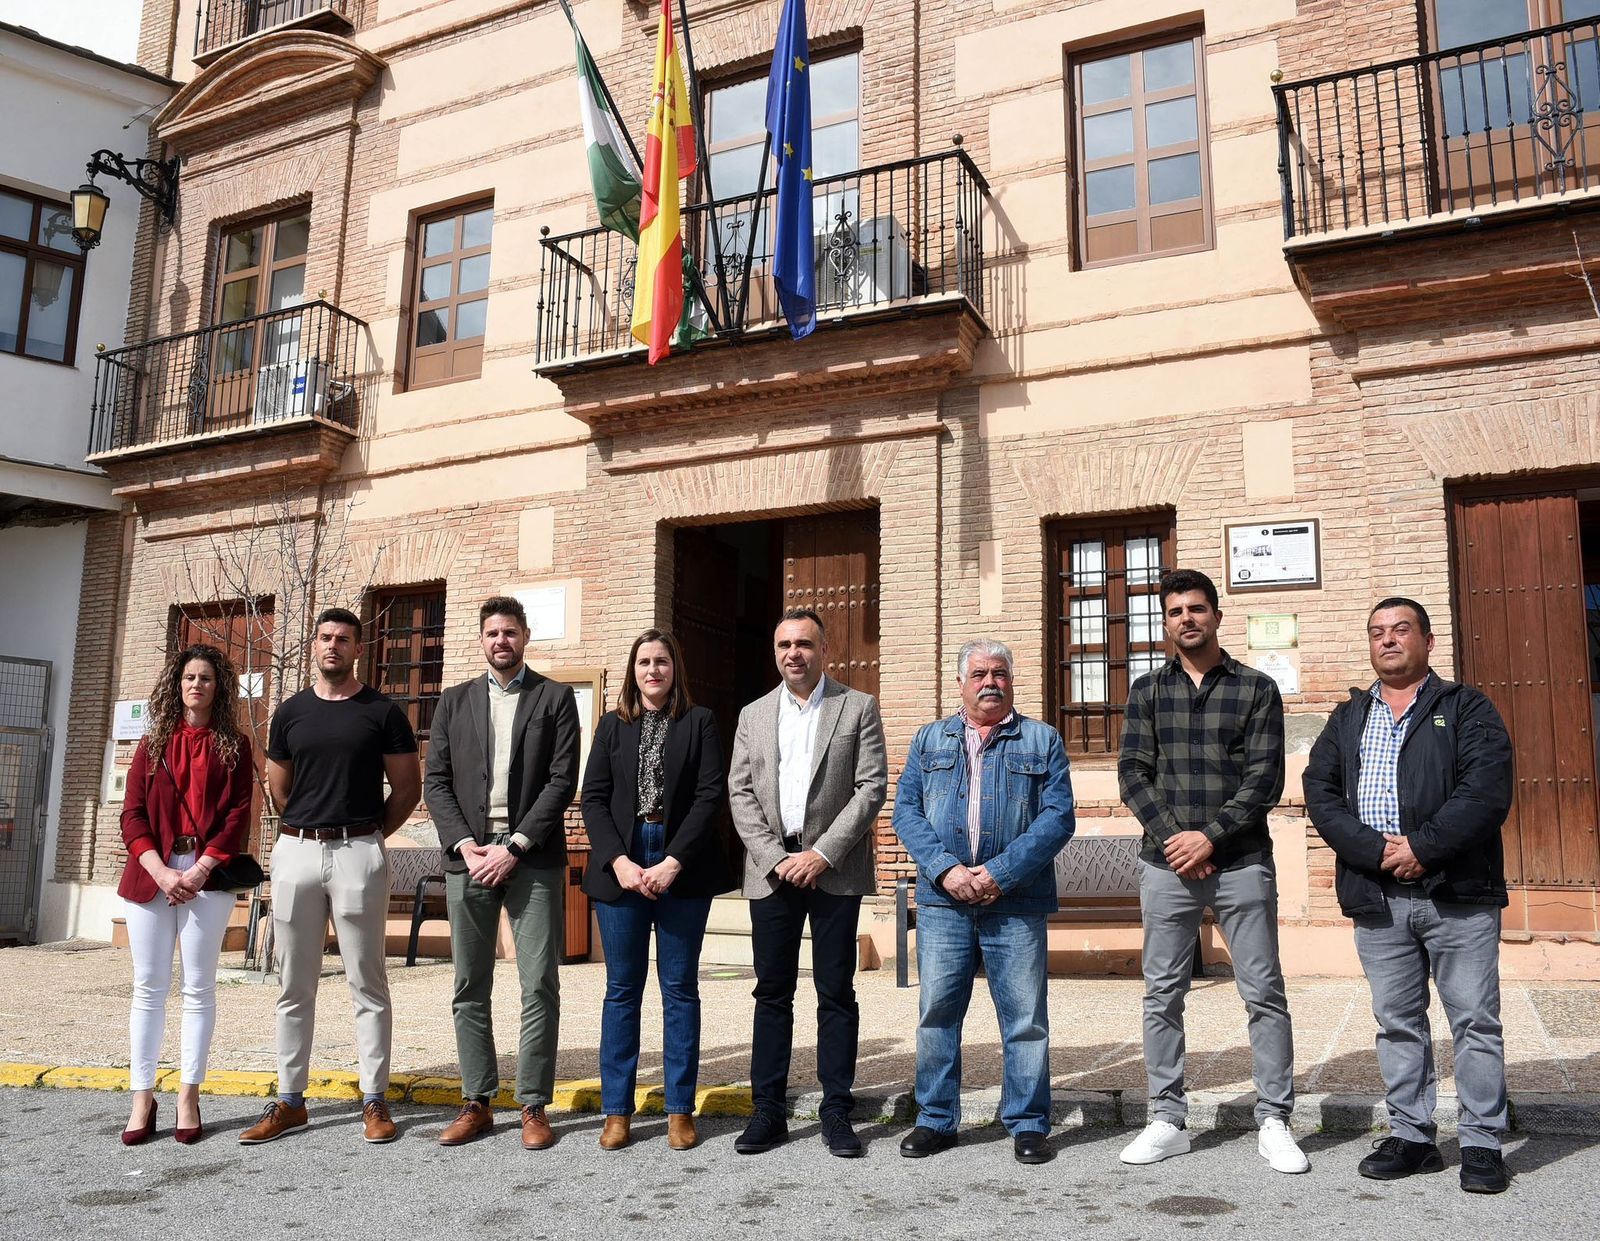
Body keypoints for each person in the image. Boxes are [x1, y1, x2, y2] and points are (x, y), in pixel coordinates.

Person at [1304, 597, 1514, 1194]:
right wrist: (1376, 853)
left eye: (1401, 630)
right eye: (1377, 632)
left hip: (1457, 893)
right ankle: (1414, 1137)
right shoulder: (1348, 717)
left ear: (1427, 640)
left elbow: (1486, 790)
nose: (1388, 640)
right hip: (1378, 896)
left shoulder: (1466, 707)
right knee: (1397, 1022)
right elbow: (1320, 792)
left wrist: (1422, 847)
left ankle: (1479, 1142)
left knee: (1474, 1020)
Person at [1117, 569, 1307, 1174]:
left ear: (1217, 616)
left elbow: (1265, 780)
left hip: (1241, 862)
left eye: (1197, 609)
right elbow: (1132, 774)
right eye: (1175, 612)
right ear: (1166, 622)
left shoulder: (1257, 689)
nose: (1186, 620)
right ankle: (1166, 1119)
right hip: (1166, 865)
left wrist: (1210, 836)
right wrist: (1177, 839)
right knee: (1162, 992)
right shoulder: (1147, 691)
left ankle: (1274, 1119)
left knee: (1263, 992)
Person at [240, 607, 421, 1146]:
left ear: (358, 649)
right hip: (297, 851)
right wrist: (308, 829)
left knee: (368, 981)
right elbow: (279, 790)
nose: (333, 646)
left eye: (344, 639)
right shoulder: (291, 712)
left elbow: (407, 788)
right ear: (313, 645)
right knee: (294, 982)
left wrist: (369, 837)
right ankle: (291, 1101)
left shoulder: (383, 712)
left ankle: (374, 1099)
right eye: (325, 637)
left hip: (358, 850)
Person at [892, 639, 1075, 1164]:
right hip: (944, 902)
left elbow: (1058, 817)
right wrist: (947, 870)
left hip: (1015, 902)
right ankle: (935, 1120)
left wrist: (999, 873)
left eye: (999, 673)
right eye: (978, 674)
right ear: (960, 683)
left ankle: (1027, 1123)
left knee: (1024, 1018)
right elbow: (906, 811)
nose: (989, 682)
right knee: (937, 1013)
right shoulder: (930, 740)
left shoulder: (1042, 740)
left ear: (1012, 682)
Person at [728, 607, 887, 1156]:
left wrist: (820, 854)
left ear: (824, 650)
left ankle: (836, 1109)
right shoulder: (752, 714)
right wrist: (776, 858)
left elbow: (870, 789)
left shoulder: (857, 707)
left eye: (804, 644)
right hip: (771, 872)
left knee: (836, 992)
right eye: (783, 645)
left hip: (833, 871)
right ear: (775, 653)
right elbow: (740, 793)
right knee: (772, 992)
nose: (793, 653)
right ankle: (767, 1110)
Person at [425, 596, 580, 1150]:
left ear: (526, 636)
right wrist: (467, 846)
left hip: (531, 858)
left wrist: (513, 845)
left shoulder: (555, 698)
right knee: (470, 983)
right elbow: (435, 781)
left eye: (509, 632)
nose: (501, 641)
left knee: (538, 981)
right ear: (481, 639)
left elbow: (562, 781)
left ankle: (534, 1104)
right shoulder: (453, 701)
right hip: (467, 860)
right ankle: (477, 1101)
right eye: (491, 632)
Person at [581, 628, 733, 1152]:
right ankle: (617, 1112)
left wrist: (673, 861)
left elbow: (711, 795)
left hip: (680, 864)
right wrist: (618, 861)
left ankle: (678, 1110)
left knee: (679, 989)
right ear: (633, 670)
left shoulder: (699, 722)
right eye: (644, 662)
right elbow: (594, 799)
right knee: (622, 991)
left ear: (675, 670)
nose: (653, 670)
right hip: (623, 863)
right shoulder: (610, 726)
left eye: (662, 662)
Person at [118, 644, 254, 1145]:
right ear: (177, 684)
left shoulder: (234, 746)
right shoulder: (152, 745)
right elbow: (131, 815)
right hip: (151, 875)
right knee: (149, 988)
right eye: (189, 677)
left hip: (208, 875)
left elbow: (239, 813)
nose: (196, 685)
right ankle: (141, 1098)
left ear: (219, 689)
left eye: (207, 678)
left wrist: (197, 871)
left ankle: (188, 1095)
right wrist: (159, 871)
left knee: (199, 988)